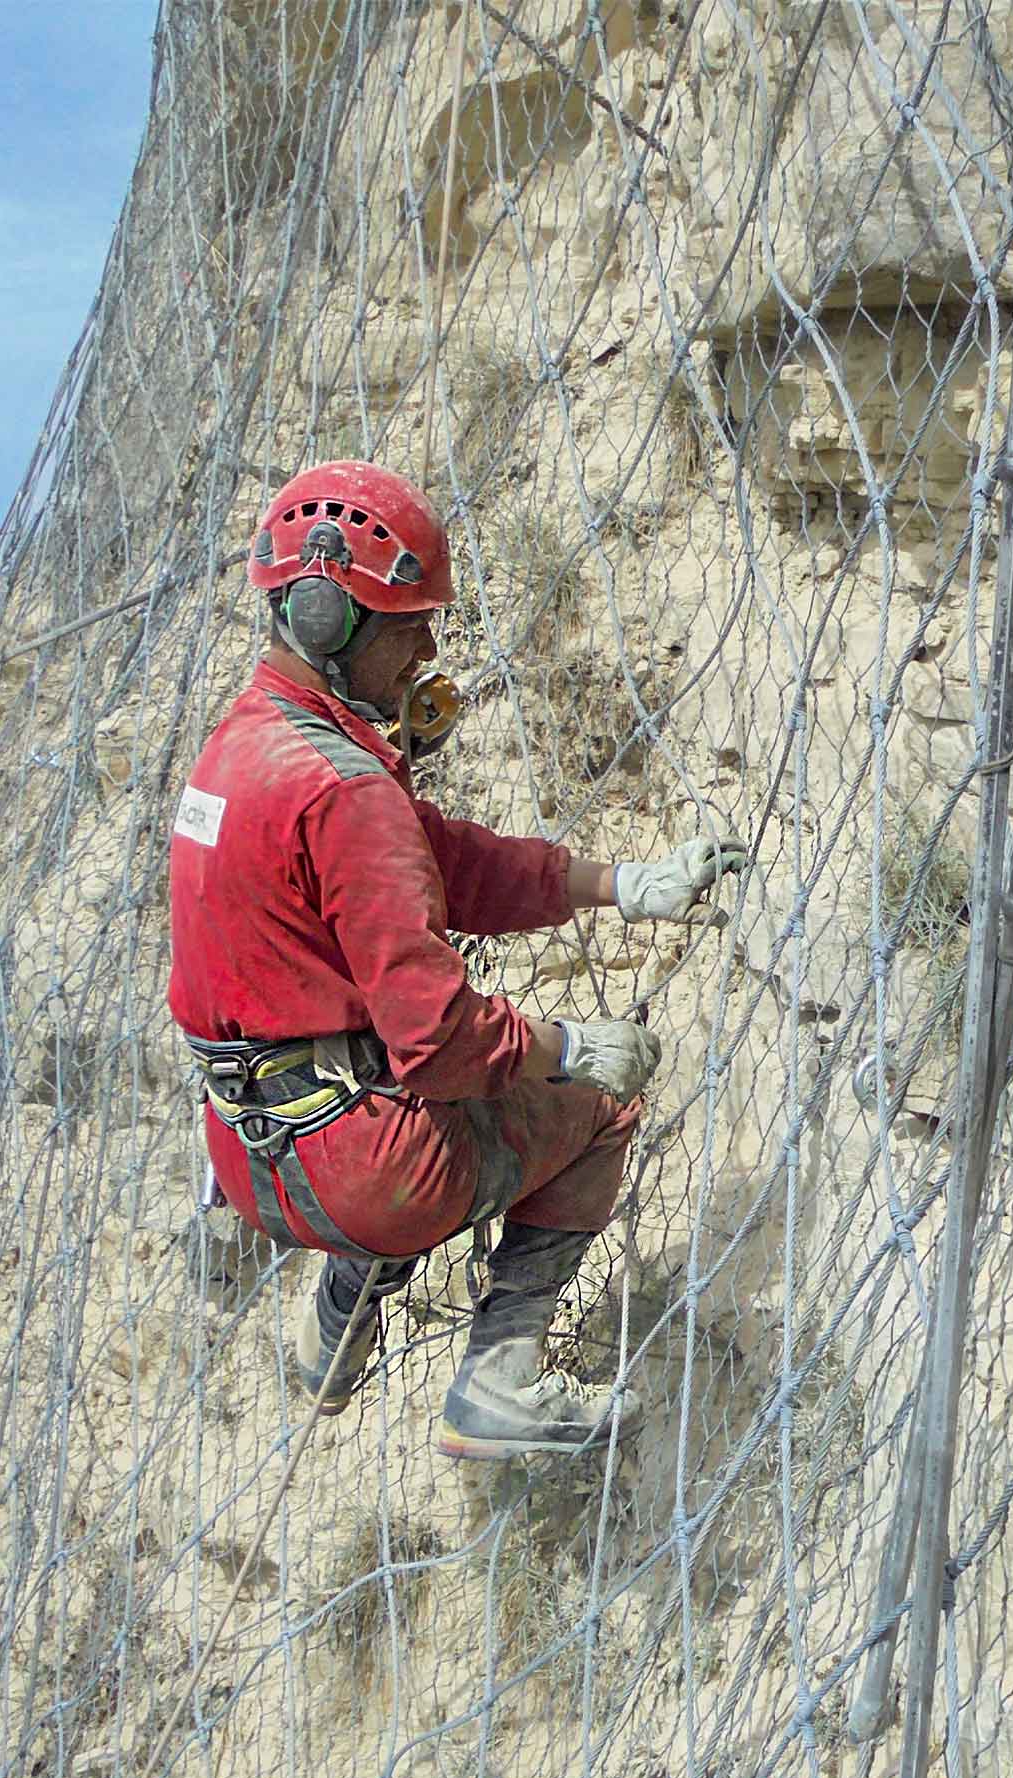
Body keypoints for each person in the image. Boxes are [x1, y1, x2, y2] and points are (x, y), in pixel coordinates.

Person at [167, 461, 743, 1460]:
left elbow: (448, 864)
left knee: (389, 1073)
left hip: (246, 1156)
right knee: (599, 1107)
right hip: (360, 1175)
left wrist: (620, 883)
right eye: (409, 622)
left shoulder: (248, 745)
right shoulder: (347, 792)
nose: (431, 647)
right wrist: (569, 1047)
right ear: (323, 616)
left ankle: (336, 1330)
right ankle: (501, 1386)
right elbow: (434, 1040)